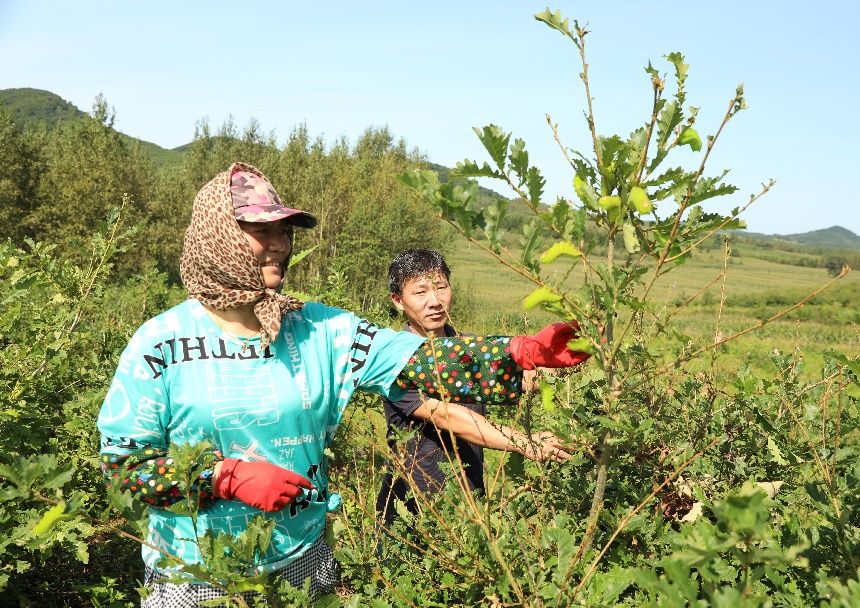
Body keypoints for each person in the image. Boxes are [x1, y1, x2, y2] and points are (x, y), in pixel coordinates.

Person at [96, 162, 590, 606]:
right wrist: (223, 479)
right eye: (259, 229)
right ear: (217, 235)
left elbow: (414, 359)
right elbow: (123, 467)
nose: (278, 244)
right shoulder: (160, 343)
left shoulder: (320, 331)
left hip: (301, 561)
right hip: (198, 575)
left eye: (284, 231)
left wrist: (515, 351)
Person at [376, 249, 572, 527]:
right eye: (420, 293)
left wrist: (570, 353)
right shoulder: (394, 360)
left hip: (469, 501)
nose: (435, 301)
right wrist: (525, 443)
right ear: (398, 300)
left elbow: (524, 378)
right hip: (413, 507)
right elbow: (450, 417)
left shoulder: (470, 348)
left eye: (441, 287)